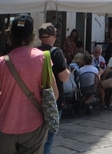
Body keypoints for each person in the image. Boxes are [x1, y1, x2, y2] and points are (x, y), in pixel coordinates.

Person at [0, 15, 57, 153]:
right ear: (32, 34)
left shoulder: (1, 63)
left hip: (6, 125)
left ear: (11, 34)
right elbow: (54, 94)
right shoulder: (43, 59)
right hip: (34, 124)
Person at [38, 23, 70, 154]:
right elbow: (64, 77)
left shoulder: (33, 51)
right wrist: (67, 69)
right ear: (54, 36)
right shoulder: (56, 52)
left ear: (40, 37)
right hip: (53, 100)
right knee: (48, 140)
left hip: (36, 99)